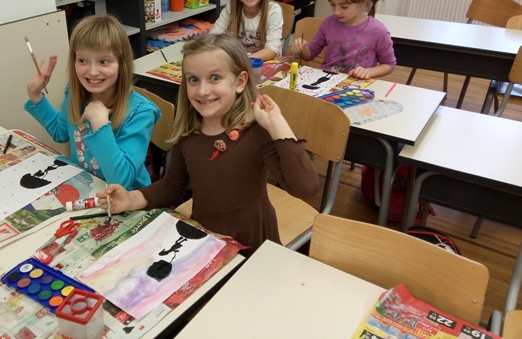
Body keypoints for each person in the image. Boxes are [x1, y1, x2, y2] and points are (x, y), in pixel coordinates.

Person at [96, 34, 318, 255]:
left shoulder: (256, 133)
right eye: (193, 79)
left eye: (215, 78)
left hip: (252, 246)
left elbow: (305, 187)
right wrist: (130, 199)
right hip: (206, 239)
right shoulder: (188, 134)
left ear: (240, 82)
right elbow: (171, 187)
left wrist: (277, 124)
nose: (202, 91)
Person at [24, 14, 160, 189]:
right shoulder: (75, 94)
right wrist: (36, 95)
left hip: (128, 198)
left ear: (122, 63)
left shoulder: (140, 112)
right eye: (83, 61)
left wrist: (100, 124)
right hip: (88, 188)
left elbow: (121, 181)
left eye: (103, 61)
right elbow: (60, 132)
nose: (93, 71)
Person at [291, 0, 396, 79]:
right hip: (327, 81)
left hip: (357, 85)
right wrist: (302, 49)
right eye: (332, 4)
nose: (337, 12)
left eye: (344, 7)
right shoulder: (328, 23)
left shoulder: (378, 30)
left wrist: (368, 72)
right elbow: (309, 55)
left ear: (363, 1)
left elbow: (389, 65)